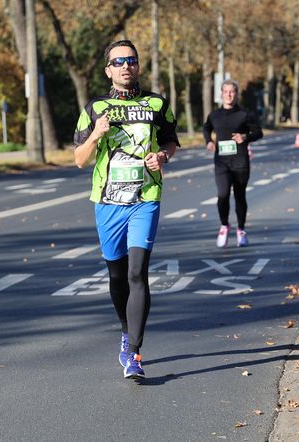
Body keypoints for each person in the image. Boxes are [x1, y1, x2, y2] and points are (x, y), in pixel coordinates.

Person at [73, 40, 179, 379]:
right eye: (118, 61)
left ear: (138, 66)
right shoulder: (94, 108)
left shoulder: (157, 104)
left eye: (131, 60)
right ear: (109, 70)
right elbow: (78, 159)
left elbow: (171, 141)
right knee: (117, 275)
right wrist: (96, 135)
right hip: (107, 202)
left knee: (137, 273)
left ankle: (134, 353)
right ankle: (125, 329)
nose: (125, 66)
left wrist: (162, 156)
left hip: (145, 197)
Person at [203, 79, 263, 248]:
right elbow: (206, 128)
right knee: (222, 194)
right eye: (226, 91)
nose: (229, 95)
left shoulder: (245, 114)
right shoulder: (214, 115)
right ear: (221, 94)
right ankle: (224, 225)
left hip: (240, 162)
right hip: (221, 162)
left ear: (237, 94)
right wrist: (208, 141)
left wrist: (245, 137)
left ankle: (241, 230)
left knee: (239, 196)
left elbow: (258, 132)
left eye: (232, 92)